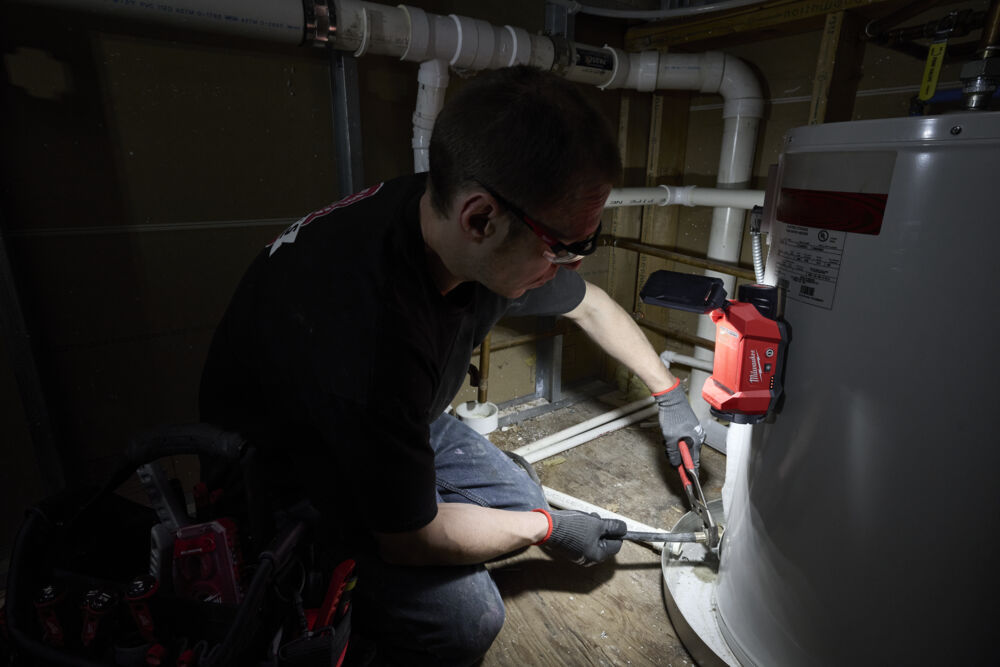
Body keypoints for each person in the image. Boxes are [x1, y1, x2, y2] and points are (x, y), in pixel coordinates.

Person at [199, 65, 704, 665]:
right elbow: (411, 540)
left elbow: (589, 306)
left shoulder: (456, 209)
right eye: (562, 247)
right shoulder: (372, 334)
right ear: (481, 219)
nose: (570, 266)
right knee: (468, 619)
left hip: (386, 418)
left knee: (520, 498)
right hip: (290, 468)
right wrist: (546, 528)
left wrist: (668, 393)